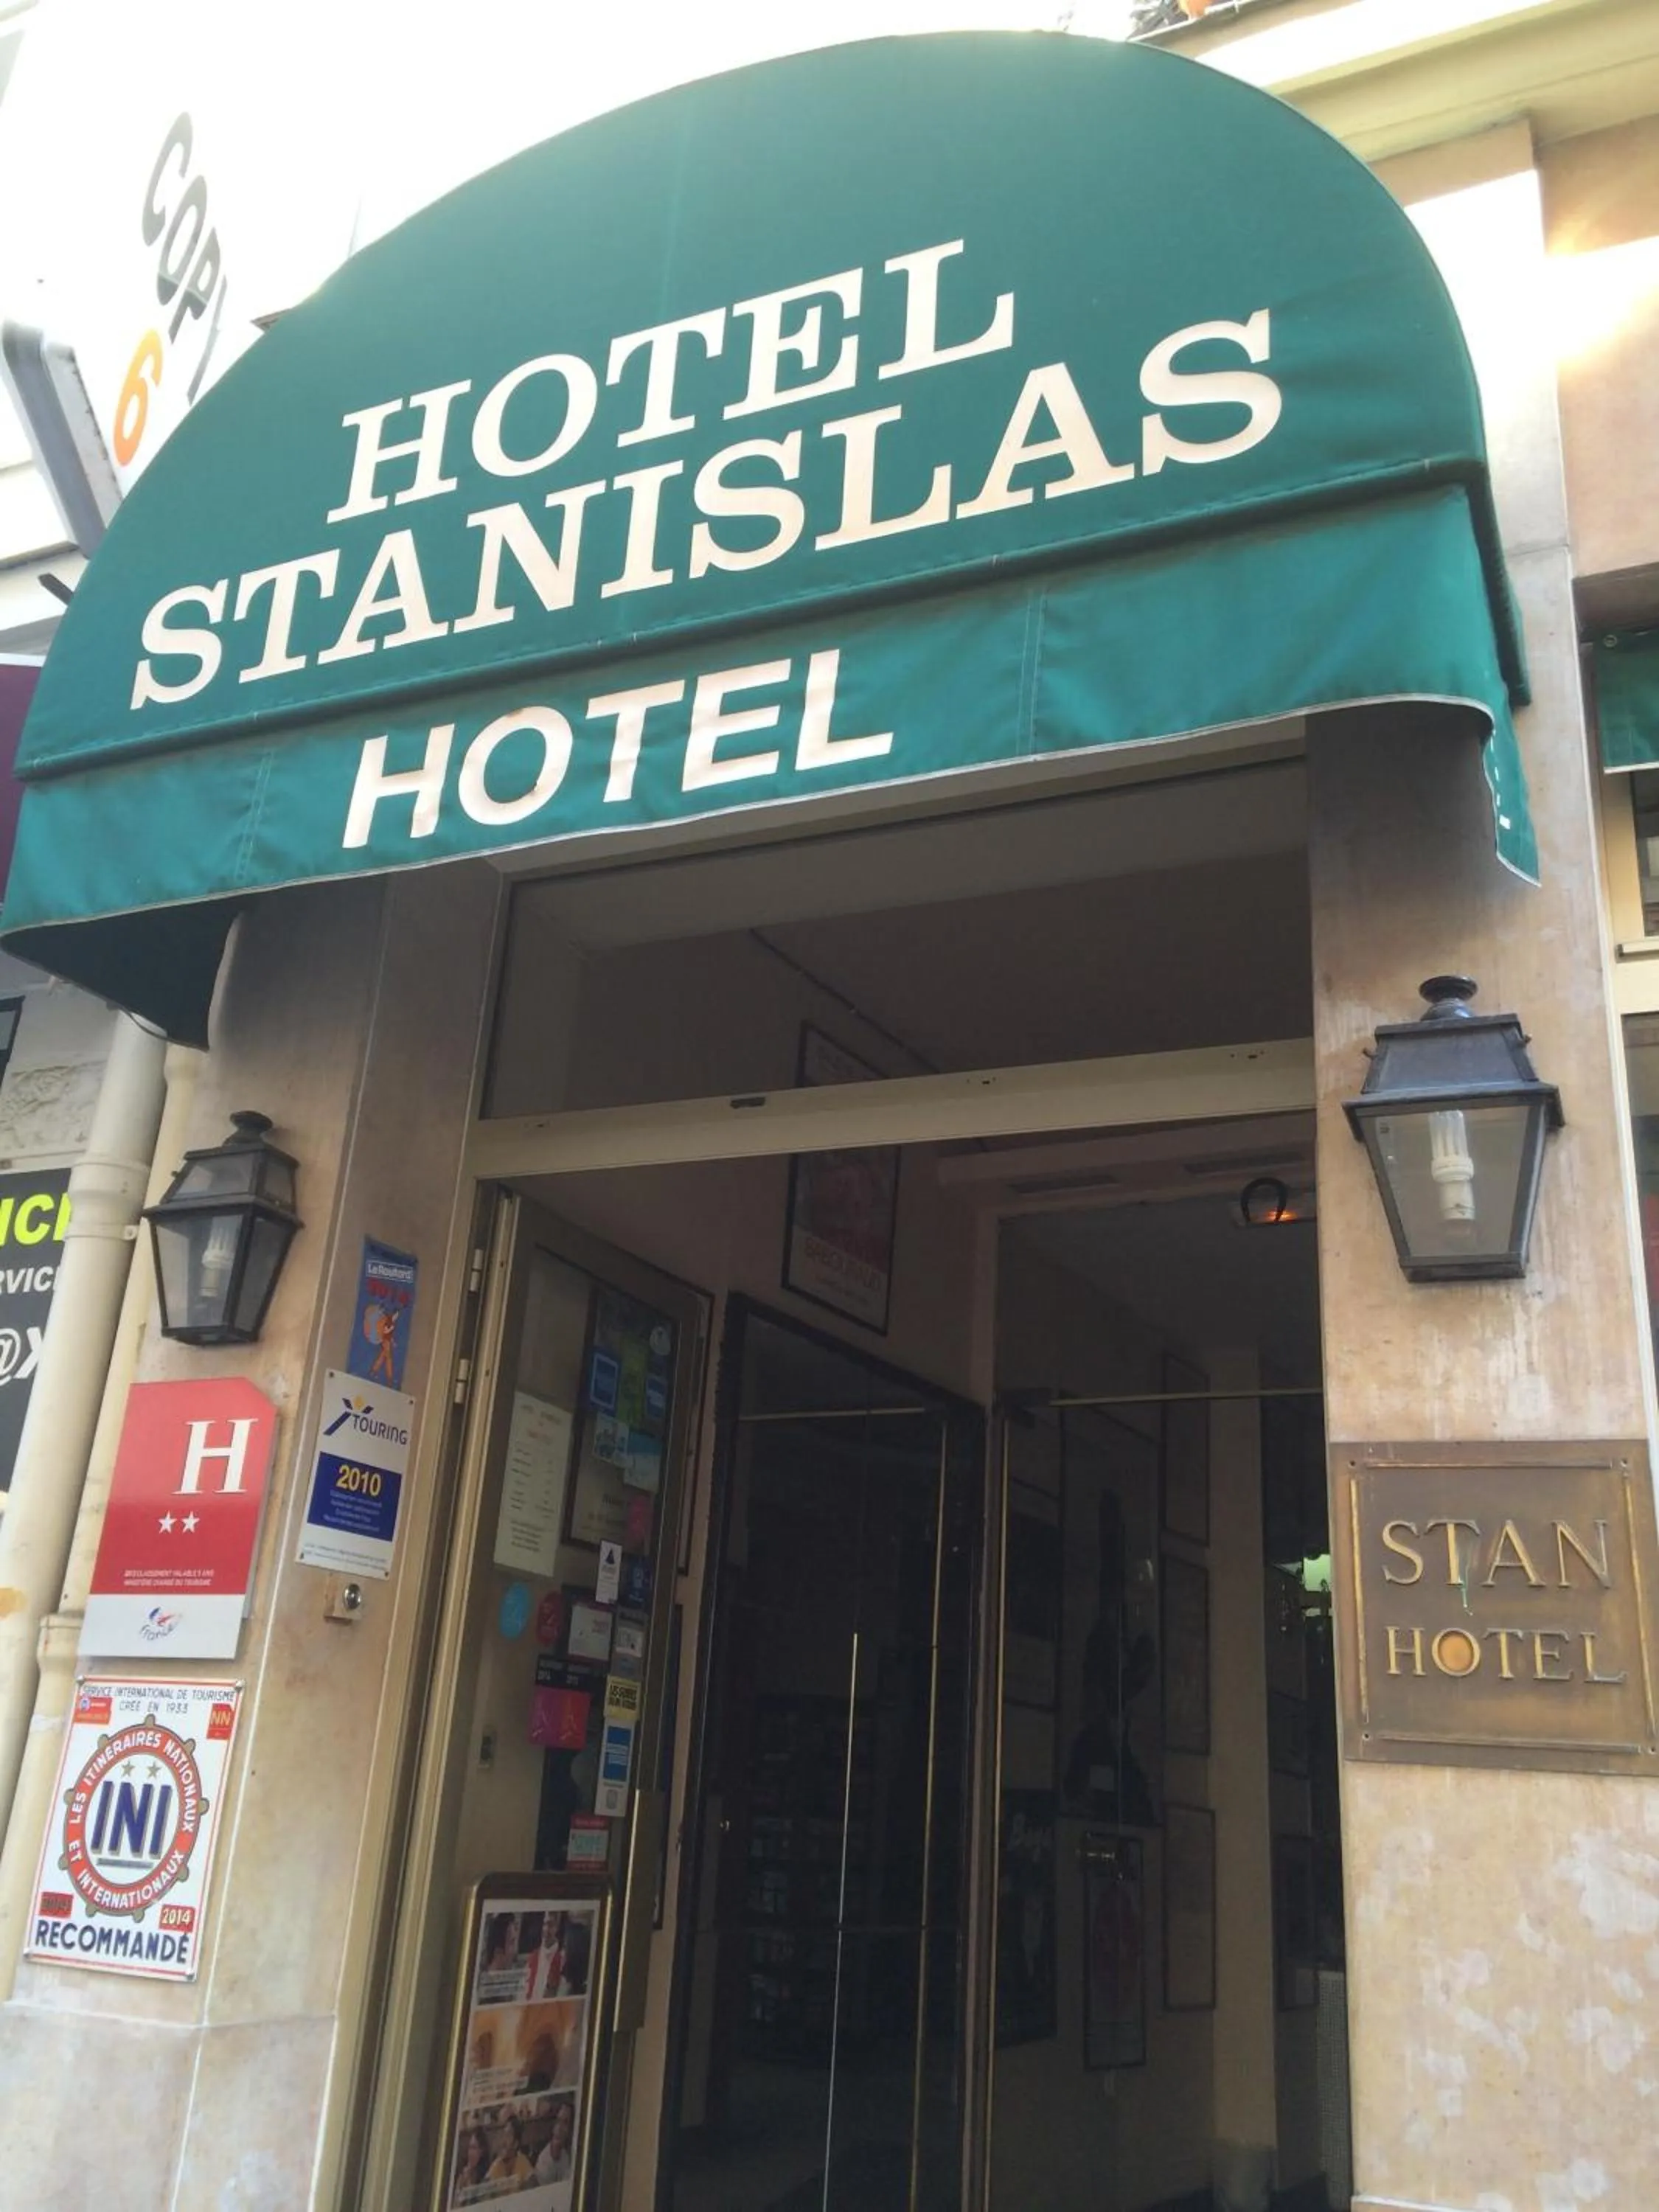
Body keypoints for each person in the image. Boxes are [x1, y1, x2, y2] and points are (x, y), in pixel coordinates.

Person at [487, 2111, 532, 2188]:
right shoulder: (496, 2166)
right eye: (503, 2134)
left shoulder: (523, 2162)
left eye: (508, 2135)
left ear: (516, 2144)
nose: (503, 2141)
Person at [535, 2098, 575, 2185]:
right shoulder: (544, 2161)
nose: (559, 2128)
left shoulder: (568, 2156)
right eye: (558, 2121)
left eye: (565, 2123)